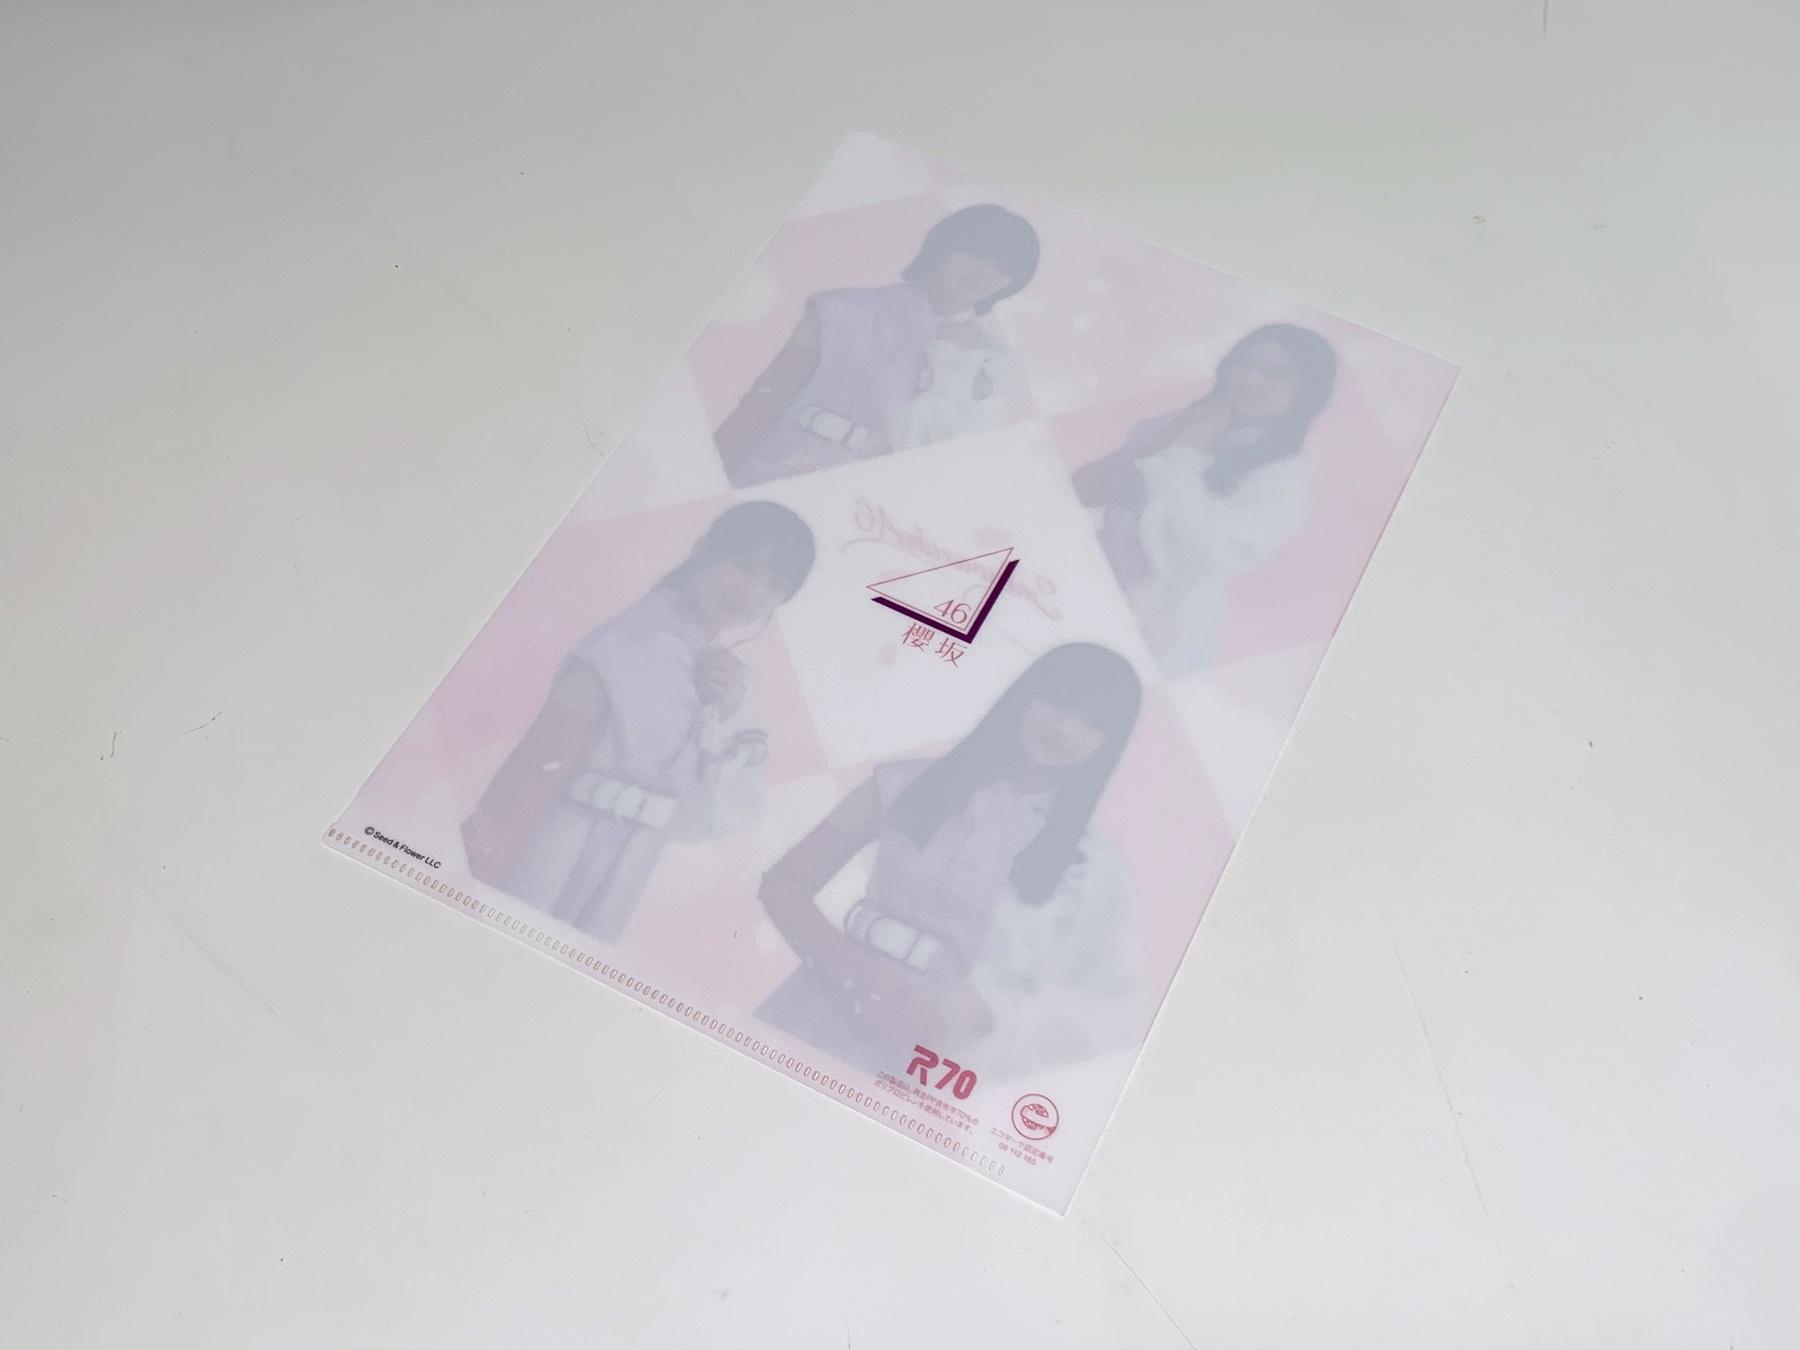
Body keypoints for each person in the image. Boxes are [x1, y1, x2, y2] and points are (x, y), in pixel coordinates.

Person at [755, 643, 1146, 1081]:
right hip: (822, 1007)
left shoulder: (1090, 865)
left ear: (1107, 744)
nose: (1065, 728)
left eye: (1092, 722)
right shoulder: (906, 782)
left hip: (942, 1059)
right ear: (1026, 693)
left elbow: (1103, 1003)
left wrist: (983, 1016)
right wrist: (859, 975)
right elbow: (783, 885)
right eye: (1058, 701)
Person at [462, 502, 816, 940]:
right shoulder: (636, 637)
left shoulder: (720, 669)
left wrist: (722, 716)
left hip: (631, 857)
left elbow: (708, 817)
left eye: (775, 585)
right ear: (704, 549)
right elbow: (539, 762)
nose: (753, 592)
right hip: (557, 837)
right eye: (744, 566)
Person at [1074, 323, 1338, 673]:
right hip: (1091, 579)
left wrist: (1185, 455)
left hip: (1162, 624)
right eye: (1245, 362)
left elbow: (1197, 557)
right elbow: (1088, 486)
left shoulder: (1285, 480)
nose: (1251, 378)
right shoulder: (1182, 421)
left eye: (1276, 374)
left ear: (1305, 392)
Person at [715, 204, 1041, 487]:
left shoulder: (994, 361)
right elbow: (765, 400)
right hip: (782, 470)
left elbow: (961, 458)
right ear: (945, 245)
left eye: (1004, 267)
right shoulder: (842, 311)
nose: (985, 272)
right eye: (976, 254)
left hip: (882, 506)